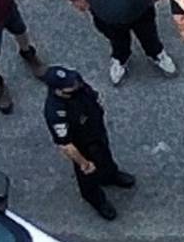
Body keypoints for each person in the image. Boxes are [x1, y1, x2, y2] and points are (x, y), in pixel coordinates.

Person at [43, 67, 135, 220]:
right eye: (69, 84)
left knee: (105, 156)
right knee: (88, 176)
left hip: (96, 131)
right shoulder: (56, 112)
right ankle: (96, 200)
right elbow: (66, 145)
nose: (75, 84)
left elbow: (92, 95)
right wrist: (84, 163)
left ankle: (110, 176)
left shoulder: (76, 84)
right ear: (58, 91)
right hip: (82, 145)